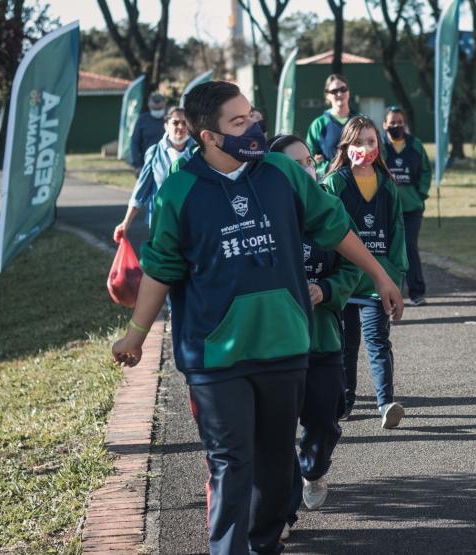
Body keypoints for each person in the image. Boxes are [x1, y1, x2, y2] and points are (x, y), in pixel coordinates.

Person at [111, 81, 404, 555]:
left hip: (284, 346)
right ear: (208, 135)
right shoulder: (178, 192)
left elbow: (334, 225)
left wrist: (380, 276)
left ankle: (264, 544)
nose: (253, 128)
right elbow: (160, 268)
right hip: (214, 356)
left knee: (273, 464)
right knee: (231, 461)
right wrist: (136, 334)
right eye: (239, 122)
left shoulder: (281, 173)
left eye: (252, 117)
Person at [267, 134, 361, 540]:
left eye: (310, 160)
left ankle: (315, 467)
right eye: (296, 163)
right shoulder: (261, 214)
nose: (307, 168)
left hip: (322, 339)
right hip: (273, 346)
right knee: (275, 431)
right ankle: (281, 515)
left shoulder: (330, 207)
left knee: (324, 418)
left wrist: (326, 290)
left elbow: (353, 266)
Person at [323, 116, 408, 428]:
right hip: (343, 281)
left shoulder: (388, 187)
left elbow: (397, 232)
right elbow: (325, 233)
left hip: (376, 281)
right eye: (358, 142)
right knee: (345, 343)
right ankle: (344, 401)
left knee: (377, 339)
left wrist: (396, 274)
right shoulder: (333, 184)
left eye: (371, 141)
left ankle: (386, 403)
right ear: (347, 146)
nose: (365, 148)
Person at [114, 107, 195, 241]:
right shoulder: (154, 153)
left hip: (192, 222)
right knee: (164, 261)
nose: (180, 127)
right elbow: (141, 191)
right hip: (161, 224)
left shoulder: (199, 153)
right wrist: (125, 223)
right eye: (175, 122)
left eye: (185, 123)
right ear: (166, 125)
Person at [381, 106, 432, 306]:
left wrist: (420, 194)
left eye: (400, 123)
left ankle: (416, 292)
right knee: (389, 250)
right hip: (388, 209)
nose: (396, 126)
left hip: (412, 208)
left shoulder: (415, 145)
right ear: (384, 125)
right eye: (392, 123)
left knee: (409, 247)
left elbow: (426, 171)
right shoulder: (380, 146)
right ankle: (391, 291)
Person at [306, 74, 358, 178]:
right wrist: (326, 167)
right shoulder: (318, 124)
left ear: (348, 91)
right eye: (334, 91)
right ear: (327, 95)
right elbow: (308, 160)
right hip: (330, 183)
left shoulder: (360, 121)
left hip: (359, 181)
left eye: (343, 89)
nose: (339, 93)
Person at [128, 92, 167, 172]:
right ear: (149, 105)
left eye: (159, 109)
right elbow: (135, 143)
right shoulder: (142, 120)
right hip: (146, 165)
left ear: (164, 105)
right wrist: (137, 165)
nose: (157, 111)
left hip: (167, 164)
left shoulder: (171, 120)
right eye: (155, 109)